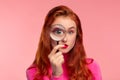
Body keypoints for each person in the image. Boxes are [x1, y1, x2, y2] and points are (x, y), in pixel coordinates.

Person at [26, 5, 102, 80]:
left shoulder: (92, 67)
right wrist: (56, 75)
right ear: (47, 34)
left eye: (71, 32)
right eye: (58, 32)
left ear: (77, 36)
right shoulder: (34, 72)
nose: (65, 39)